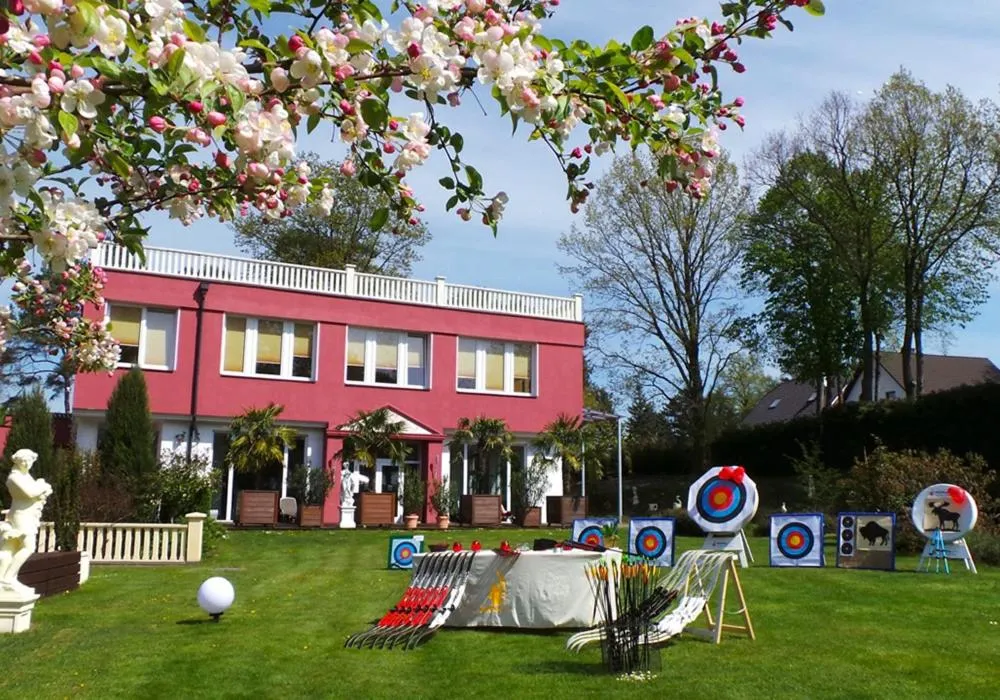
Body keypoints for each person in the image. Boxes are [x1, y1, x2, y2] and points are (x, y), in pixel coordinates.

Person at [0, 449, 53, 594]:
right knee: (28, 547)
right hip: (20, 516)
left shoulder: (25, 475)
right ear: (17, 461)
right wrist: (42, 485)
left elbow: (38, 491)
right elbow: (31, 493)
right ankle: (7, 579)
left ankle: (9, 578)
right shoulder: (14, 478)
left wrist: (41, 487)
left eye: (29, 460)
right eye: (23, 461)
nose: (26, 463)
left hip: (29, 515)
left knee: (12, 548)